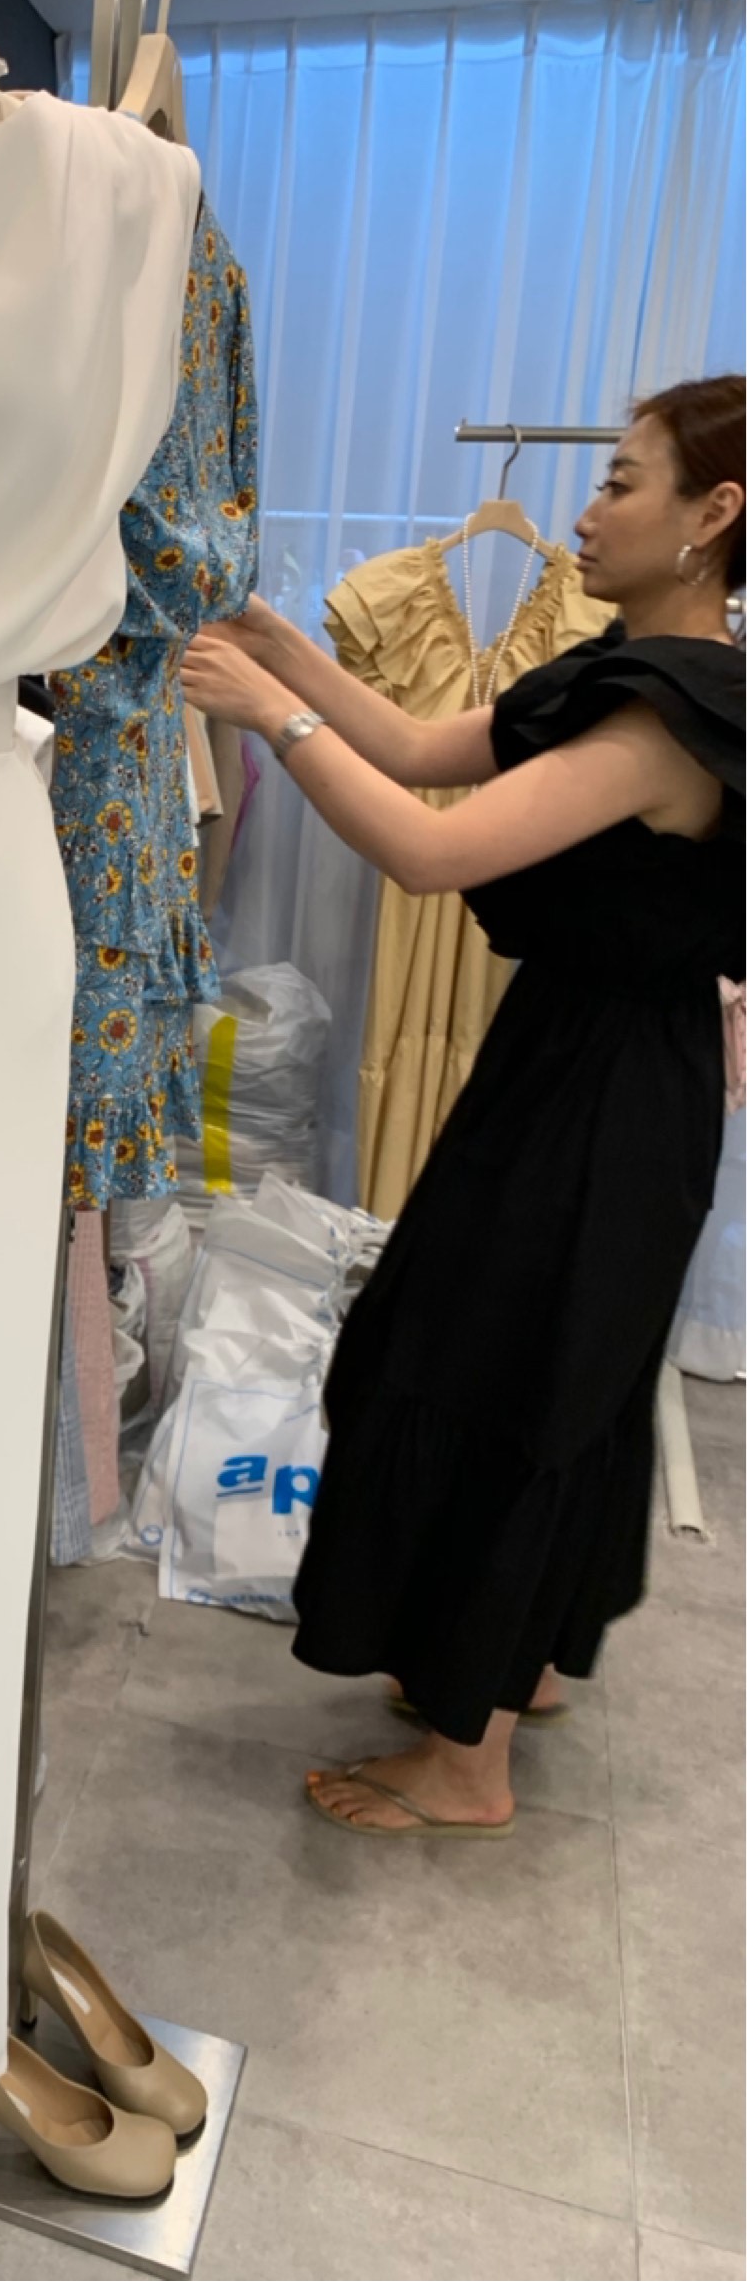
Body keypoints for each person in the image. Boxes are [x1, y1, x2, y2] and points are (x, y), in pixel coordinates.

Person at [178, 376, 745, 1837]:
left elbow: (435, 853)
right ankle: (518, 1671)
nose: (587, 508)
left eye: (622, 481)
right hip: (577, 1058)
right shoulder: (621, 671)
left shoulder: (678, 716)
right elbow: (424, 749)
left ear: (714, 514)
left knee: (506, 1374)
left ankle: (467, 1768)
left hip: (613, 1094)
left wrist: (271, 718)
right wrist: (270, 636)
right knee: (535, 1368)